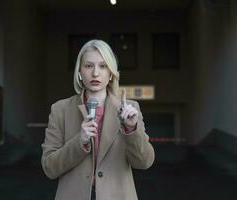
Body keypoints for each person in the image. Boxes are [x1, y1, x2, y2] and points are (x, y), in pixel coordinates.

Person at [41, 39, 155, 200]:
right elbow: (49, 167)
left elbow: (144, 162)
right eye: (88, 66)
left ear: (111, 73)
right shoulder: (60, 110)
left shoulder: (130, 109)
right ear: (79, 72)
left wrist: (131, 129)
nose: (95, 73)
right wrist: (79, 142)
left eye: (103, 66)